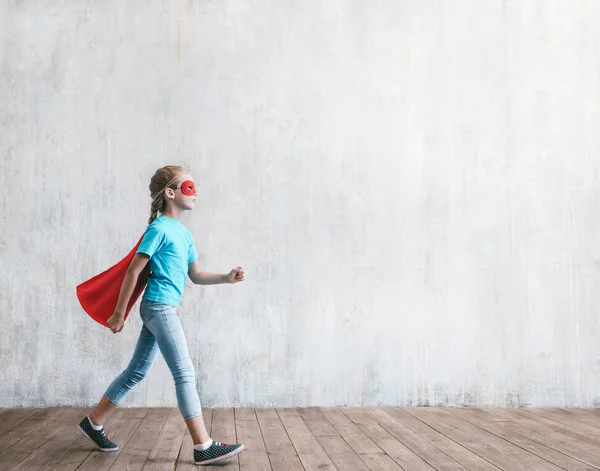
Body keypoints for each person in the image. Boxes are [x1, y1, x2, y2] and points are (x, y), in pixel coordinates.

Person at [77, 165, 245, 466]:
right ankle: (203, 445)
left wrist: (226, 277)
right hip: (158, 307)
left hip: (163, 309)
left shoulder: (184, 233)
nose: (196, 193)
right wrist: (118, 314)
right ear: (170, 193)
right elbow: (134, 270)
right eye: (189, 187)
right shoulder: (158, 229)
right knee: (185, 373)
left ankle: (93, 422)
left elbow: (194, 275)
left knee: (136, 372)